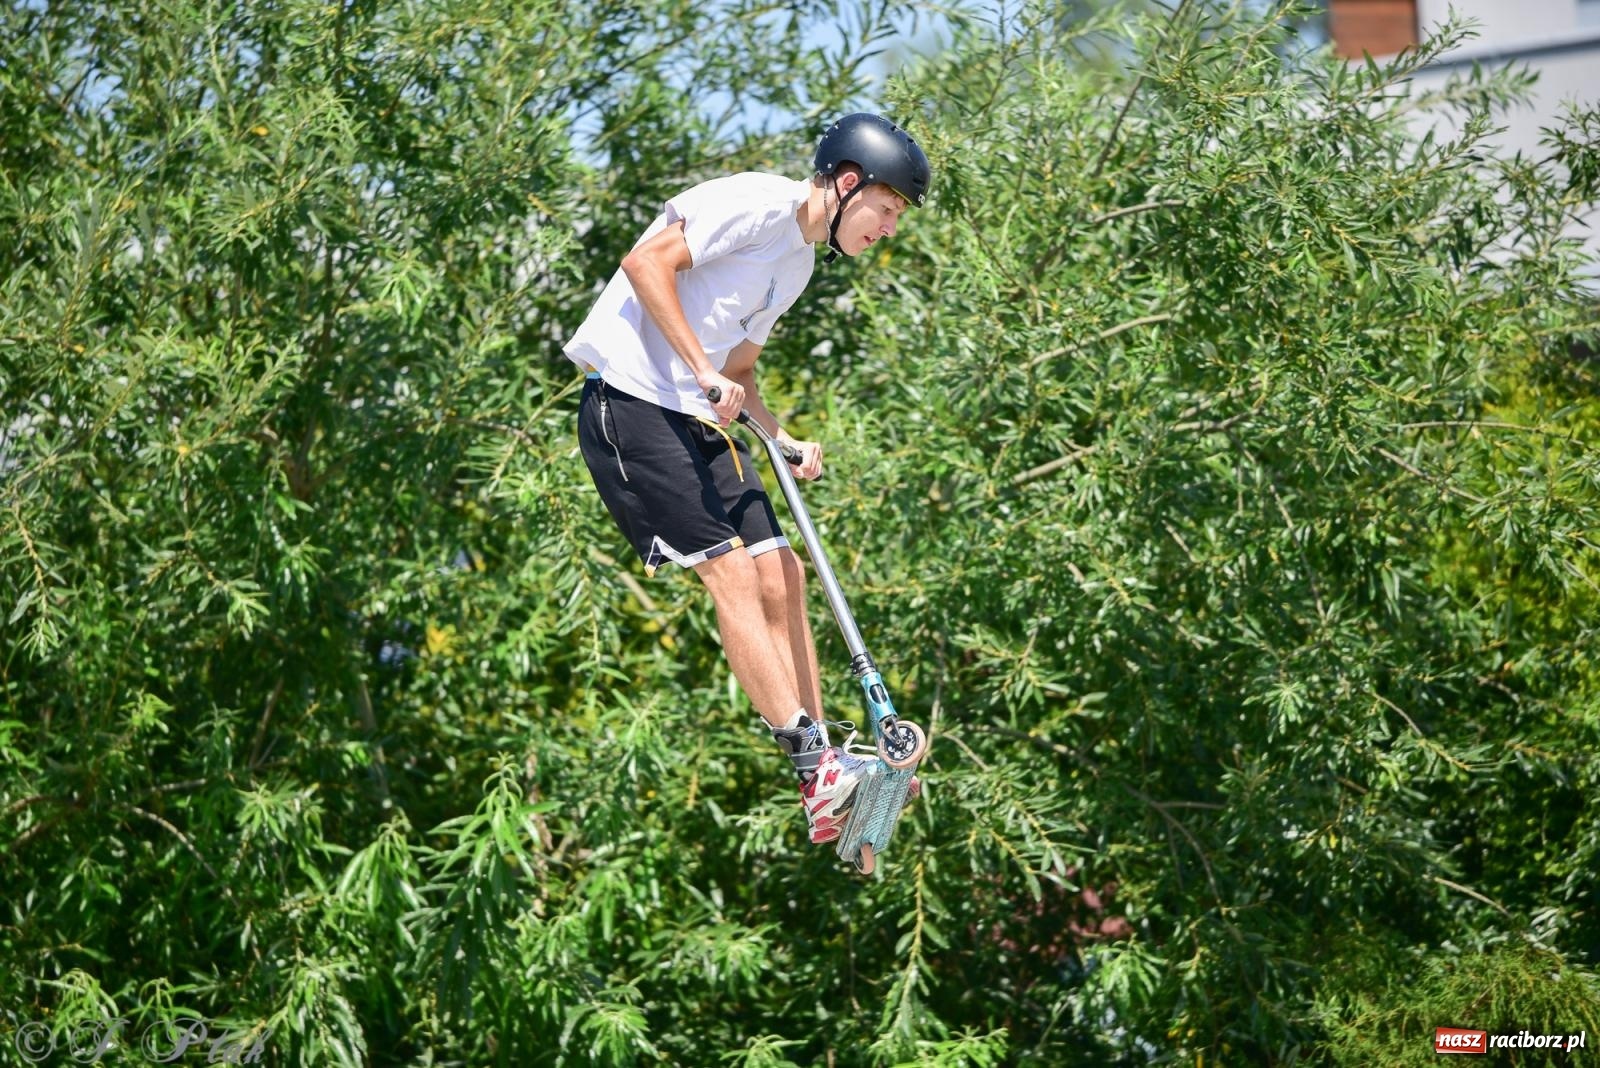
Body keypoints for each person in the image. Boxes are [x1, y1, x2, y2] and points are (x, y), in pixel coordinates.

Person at [564, 113, 931, 845]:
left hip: (699, 417)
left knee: (782, 572)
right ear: (847, 183)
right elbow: (645, 263)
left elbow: (740, 372)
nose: (890, 228)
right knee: (731, 573)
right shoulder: (755, 204)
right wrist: (700, 371)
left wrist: (780, 435)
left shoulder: (797, 263)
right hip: (630, 404)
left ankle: (829, 769)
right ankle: (812, 765)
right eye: (887, 208)